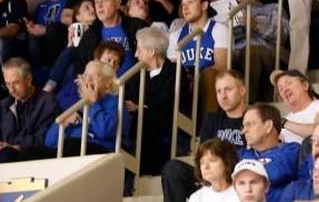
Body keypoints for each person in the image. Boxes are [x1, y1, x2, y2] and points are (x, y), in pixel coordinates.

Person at [160, 69, 248, 202]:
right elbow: (203, 155)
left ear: (242, 91)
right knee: (173, 169)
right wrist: (205, 177)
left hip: (239, 176)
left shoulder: (253, 118)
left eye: (228, 89)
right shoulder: (211, 119)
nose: (223, 96)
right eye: (218, 91)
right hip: (210, 178)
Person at [0, 58, 56, 164]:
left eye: (16, 83)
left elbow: (45, 137)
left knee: (6, 154)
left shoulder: (48, 102)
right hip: (4, 152)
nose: (11, 90)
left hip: (30, 156)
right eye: (8, 84)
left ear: (29, 80)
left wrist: (15, 146)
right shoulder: (4, 104)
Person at [169, 0, 230, 117]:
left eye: (190, 3)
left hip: (210, 82)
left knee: (209, 74)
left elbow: (222, 65)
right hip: (185, 83)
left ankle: (208, 127)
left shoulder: (219, 29)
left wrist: (196, 78)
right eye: (182, 4)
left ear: (204, 5)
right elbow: (173, 67)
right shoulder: (176, 35)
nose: (185, 8)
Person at [41, 60, 123, 156]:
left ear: (108, 82)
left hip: (99, 150)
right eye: (85, 76)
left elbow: (104, 131)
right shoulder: (79, 105)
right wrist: (65, 123)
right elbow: (48, 142)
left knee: (70, 145)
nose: (87, 81)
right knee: (30, 153)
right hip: (72, 150)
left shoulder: (114, 101)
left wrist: (94, 103)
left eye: (93, 77)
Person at [125, 27, 176, 174]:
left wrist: (142, 107)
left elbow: (167, 101)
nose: (135, 55)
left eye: (139, 50)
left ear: (151, 51)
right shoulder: (138, 74)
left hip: (161, 125)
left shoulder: (173, 71)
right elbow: (126, 94)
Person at [231, 0, 286, 101]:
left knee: (251, 52)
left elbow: (283, 35)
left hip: (264, 51)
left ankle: (249, 103)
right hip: (234, 54)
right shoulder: (230, 14)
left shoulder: (273, 8)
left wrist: (256, 25)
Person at [77, 0, 147, 74]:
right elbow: (81, 69)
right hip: (103, 86)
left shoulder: (138, 26)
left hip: (135, 84)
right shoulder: (90, 34)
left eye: (104, 1)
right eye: (96, 2)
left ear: (118, 3)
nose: (99, 6)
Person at [237, 105, 298, 200]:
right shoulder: (241, 154)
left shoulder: (291, 150)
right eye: (243, 126)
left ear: (268, 126)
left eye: (249, 124)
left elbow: (276, 174)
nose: (243, 131)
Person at [26, 0, 68, 70]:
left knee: (55, 30)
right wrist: (31, 26)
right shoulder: (41, 6)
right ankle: (36, 71)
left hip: (62, 45)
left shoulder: (71, 1)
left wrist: (46, 30)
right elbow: (35, 27)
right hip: (41, 48)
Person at [272, 70, 319, 144]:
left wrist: (284, 123)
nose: (285, 89)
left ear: (305, 85)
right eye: (281, 89)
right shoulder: (285, 120)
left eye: (289, 83)